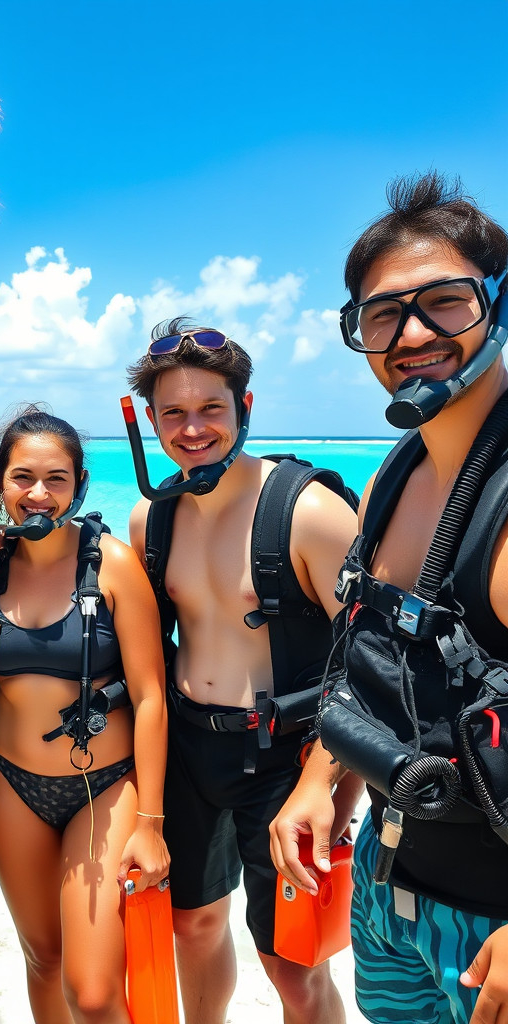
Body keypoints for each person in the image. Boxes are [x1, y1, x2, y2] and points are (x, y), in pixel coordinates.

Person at [271, 173, 508, 1024]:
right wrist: (318, 783)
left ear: (499, 304)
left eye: (444, 301)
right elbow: (373, 661)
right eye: (380, 314)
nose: (410, 333)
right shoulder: (389, 480)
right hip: (386, 881)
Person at [126, 320, 360, 1024]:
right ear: (151, 422)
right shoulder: (148, 520)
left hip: (287, 757)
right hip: (191, 751)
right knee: (191, 928)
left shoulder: (309, 512)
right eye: (174, 413)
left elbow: (369, 659)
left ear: (245, 407)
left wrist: (333, 785)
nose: (192, 429)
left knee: (293, 964)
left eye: (211, 410)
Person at [0, 408, 168, 1024]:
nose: (38, 493)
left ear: (80, 485)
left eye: (57, 479)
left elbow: (150, 698)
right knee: (45, 959)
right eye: (22, 477)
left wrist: (151, 823)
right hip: (11, 784)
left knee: (93, 993)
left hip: (104, 787)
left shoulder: (110, 564)